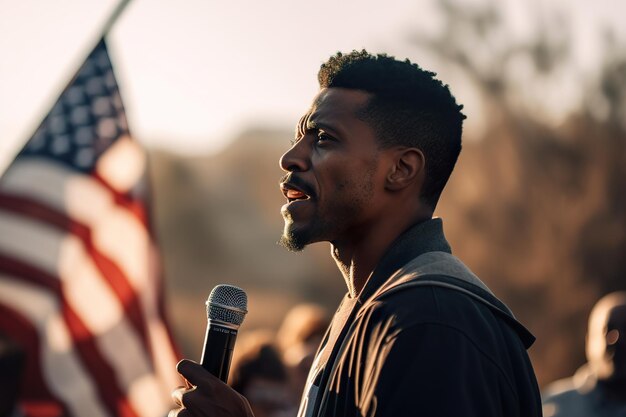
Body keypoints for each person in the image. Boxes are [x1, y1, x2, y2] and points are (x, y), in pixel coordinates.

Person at [170, 50, 542, 417]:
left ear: (400, 169)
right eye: (298, 137)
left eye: (324, 138)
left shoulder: (432, 324)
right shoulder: (370, 306)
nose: (290, 158)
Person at [542, 292, 626, 417]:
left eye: (625, 329)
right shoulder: (553, 408)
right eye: (607, 330)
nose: (617, 339)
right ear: (588, 341)